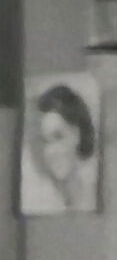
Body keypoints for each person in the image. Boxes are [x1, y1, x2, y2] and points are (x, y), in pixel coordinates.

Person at [29, 83, 98, 211]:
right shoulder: (41, 202)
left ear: (79, 135)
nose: (50, 151)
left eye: (58, 137)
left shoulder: (97, 194)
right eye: (45, 141)